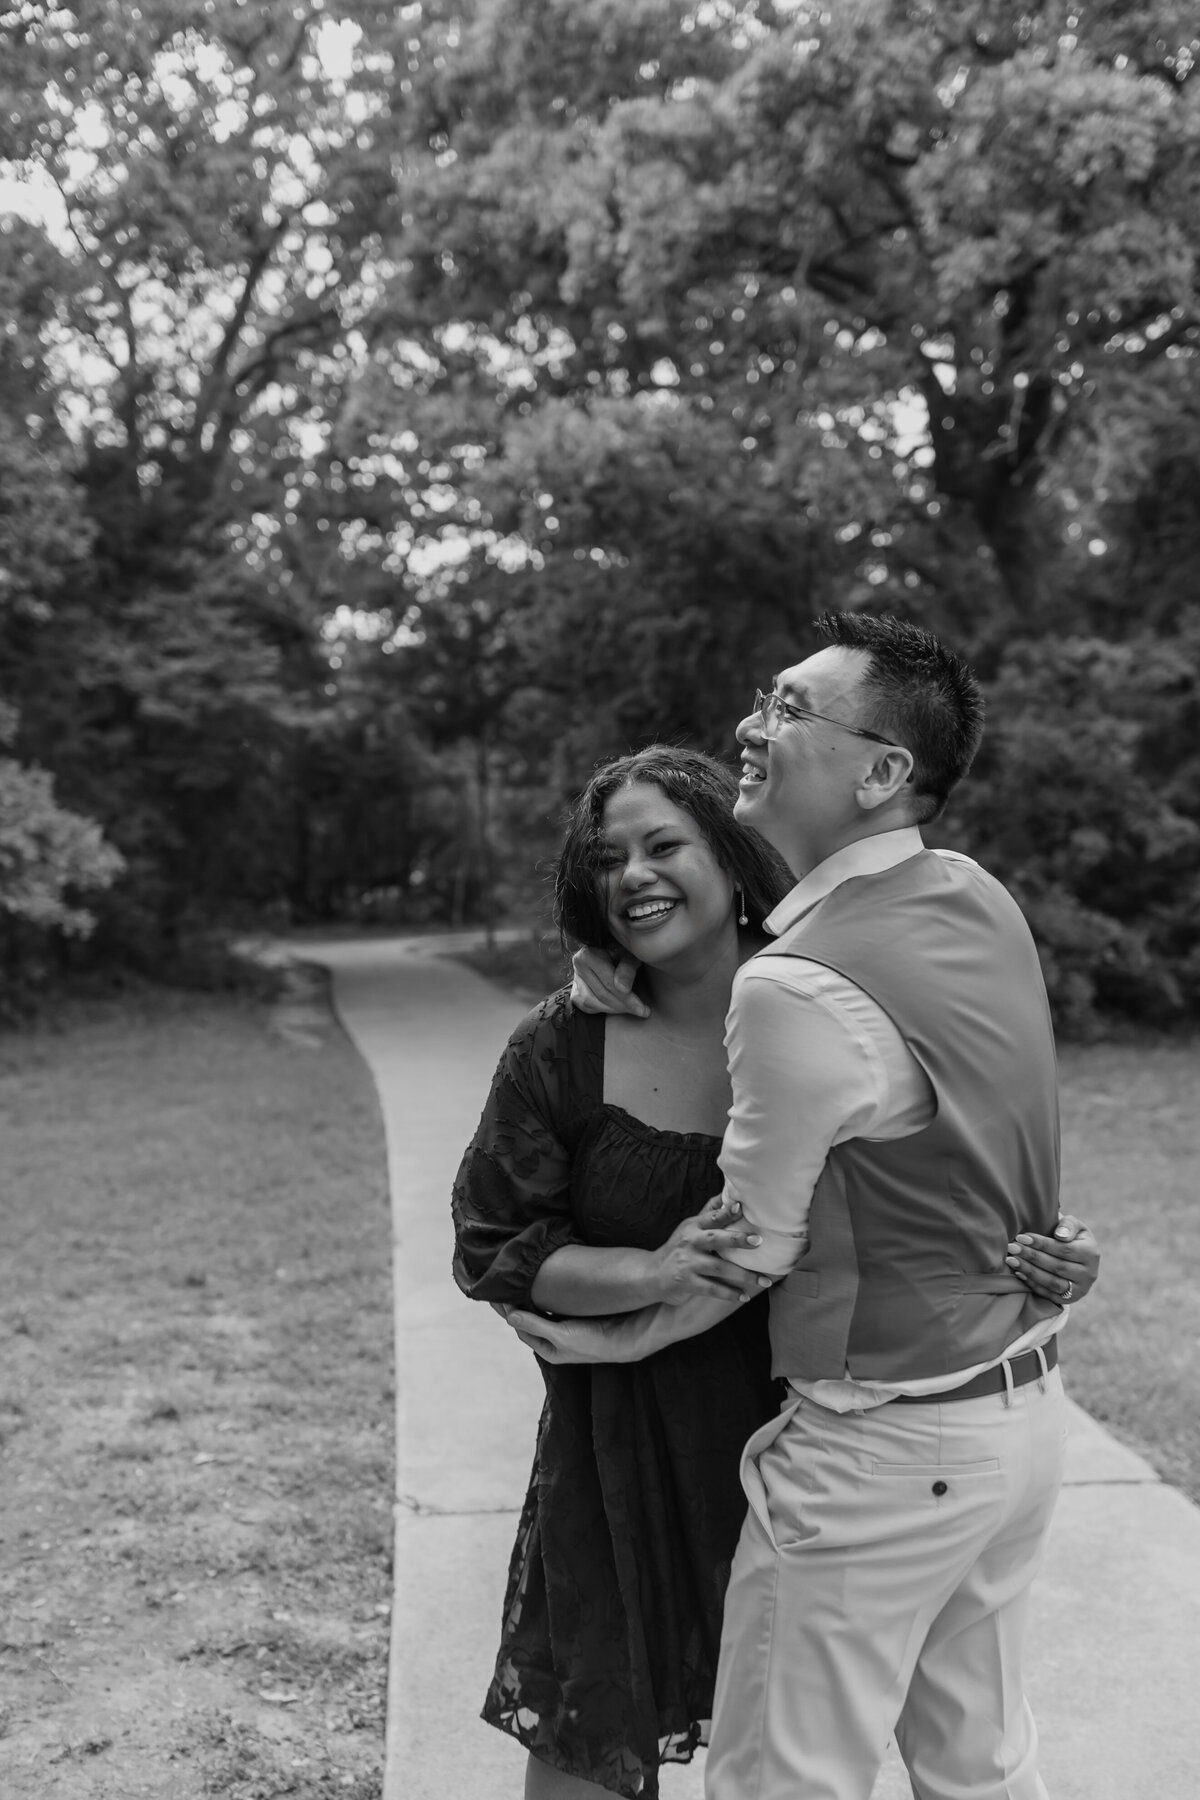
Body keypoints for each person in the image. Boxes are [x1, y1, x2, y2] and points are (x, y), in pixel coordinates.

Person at [508, 613, 1083, 1800]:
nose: (750, 728)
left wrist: (618, 1326)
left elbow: (743, 1247)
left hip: (884, 1440)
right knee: (979, 1764)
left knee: (783, 1780)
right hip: (1017, 1418)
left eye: (787, 710)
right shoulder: (975, 898)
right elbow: (979, 1129)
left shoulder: (797, 985)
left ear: (884, 773)